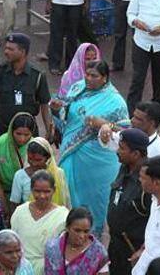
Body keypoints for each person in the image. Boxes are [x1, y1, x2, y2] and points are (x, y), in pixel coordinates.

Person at [50, 60, 129, 235]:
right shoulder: (78, 88)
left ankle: (92, 234)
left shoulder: (116, 101)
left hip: (98, 161)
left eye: (94, 76)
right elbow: (65, 114)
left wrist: (104, 124)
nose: (89, 78)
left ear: (105, 78)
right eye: (87, 74)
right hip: (72, 153)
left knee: (96, 198)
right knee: (68, 190)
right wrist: (56, 109)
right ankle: (69, 231)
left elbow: (125, 132)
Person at [0, 33, 51, 141]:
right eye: (6, 48)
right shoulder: (1, 70)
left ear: (23, 52)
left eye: (11, 49)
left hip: (26, 133)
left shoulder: (38, 75)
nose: (6, 52)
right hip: (2, 130)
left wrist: (49, 130)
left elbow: (44, 105)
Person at [106, 128, 151, 275]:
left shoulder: (148, 181)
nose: (118, 151)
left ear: (136, 154)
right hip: (116, 247)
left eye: (122, 148)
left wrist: (144, 249)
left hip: (133, 252)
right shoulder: (125, 168)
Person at [10, 170, 69, 274]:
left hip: (49, 269)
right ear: (31, 190)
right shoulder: (20, 211)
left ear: (54, 190)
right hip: (20, 269)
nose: (42, 196)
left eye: (47, 192)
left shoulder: (63, 215)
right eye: (37, 191)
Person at [44, 207, 109, 274]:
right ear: (67, 228)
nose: (81, 236)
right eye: (77, 230)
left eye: (86, 231)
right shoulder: (53, 248)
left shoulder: (98, 252)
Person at [0, 112, 37, 202]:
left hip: (27, 195)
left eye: (26, 135)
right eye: (18, 134)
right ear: (11, 130)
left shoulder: (35, 146)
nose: (22, 139)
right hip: (1, 192)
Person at [9, 137, 70, 208]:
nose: (34, 163)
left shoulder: (59, 173)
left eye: (38, 160)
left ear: (48, 158)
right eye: (30, 159)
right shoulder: (20, 175)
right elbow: (14, 203)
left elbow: (65, 200)